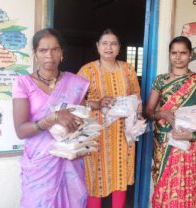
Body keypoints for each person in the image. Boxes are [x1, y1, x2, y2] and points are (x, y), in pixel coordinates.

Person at [12, 28, 89, 208]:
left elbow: (83, 123)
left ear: (62, 53)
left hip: (70, 162)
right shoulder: (24, 83)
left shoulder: (75, 83)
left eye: (55, 49)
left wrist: (83, 140)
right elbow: (21, 131)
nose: (50, 55)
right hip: (39, 165)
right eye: (43, 50)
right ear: (35, 54)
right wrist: (52, 118)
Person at [146, 36, 196, 207]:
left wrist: (191, 134)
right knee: (163, 186)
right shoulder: (160, 80)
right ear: (169, 54)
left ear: (190, 54)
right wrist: (163, 114)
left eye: (183, 53)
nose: (178, 57)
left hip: (187, 143)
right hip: (163, 143)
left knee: (185, 188)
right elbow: (148, 111)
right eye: (174, 53)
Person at [77, 28, 141, 208]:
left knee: (119, 175)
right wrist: (97, 104)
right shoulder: (87, 71)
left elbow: (137, 97)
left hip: (122, 134)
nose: (109, 47)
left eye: (113, 43)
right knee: (95, 177)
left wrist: (137, 116)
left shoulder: (127, 69)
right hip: (95, 133)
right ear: (97, 46)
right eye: (104, 43)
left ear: (119, 47)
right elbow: (76, 103)